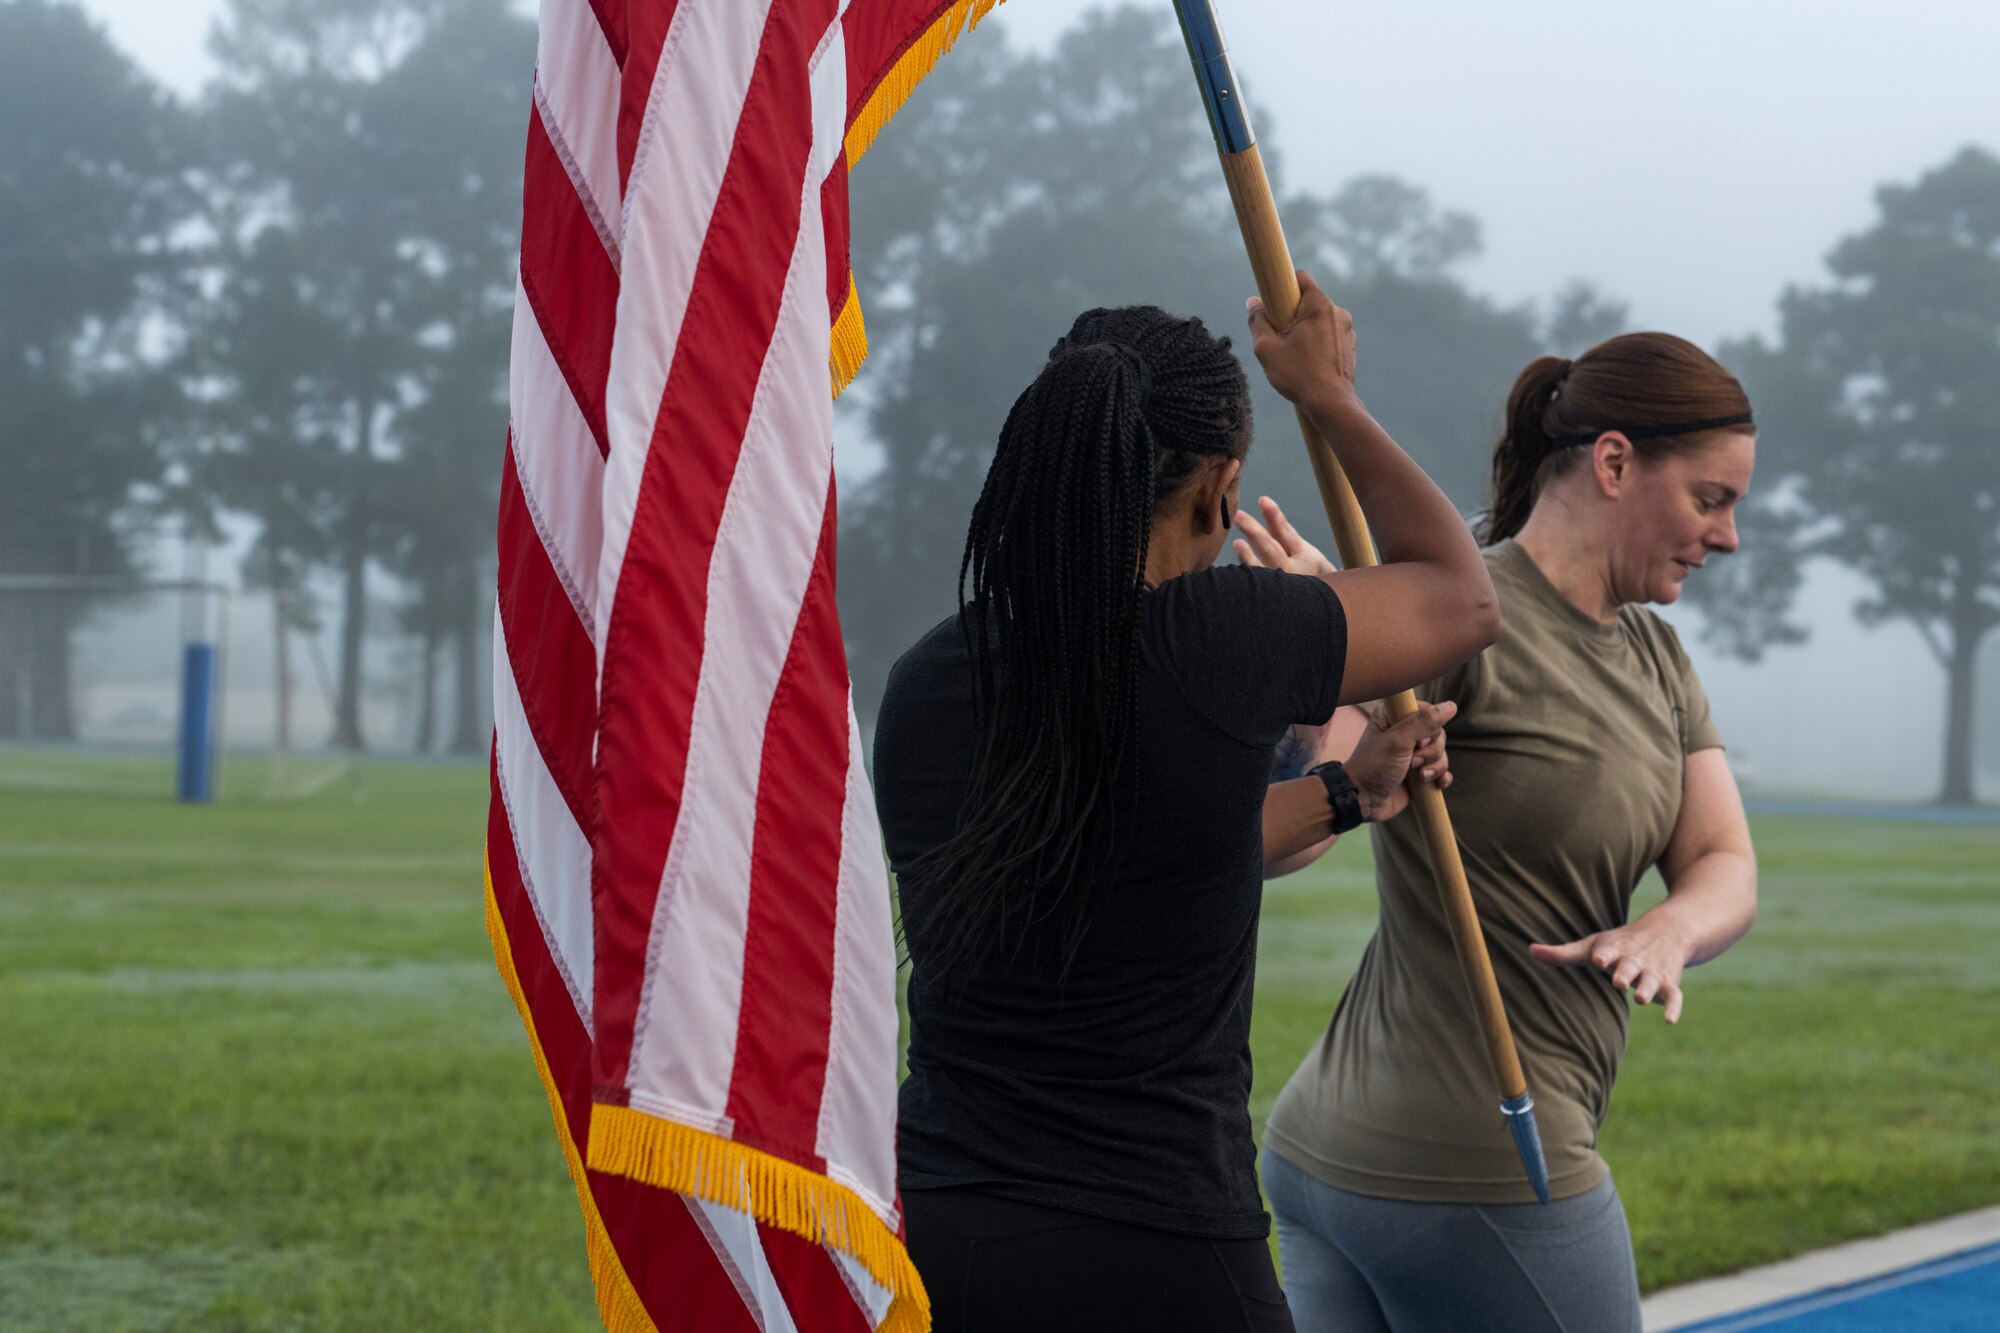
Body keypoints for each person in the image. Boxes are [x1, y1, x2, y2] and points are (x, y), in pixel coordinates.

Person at [870, 277, 1500, 1333]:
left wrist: (1348, 791)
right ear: (1218, 488)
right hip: (1154, 1242)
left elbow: (1146, 852)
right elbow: (1459, 598)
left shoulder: (928, 677)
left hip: (937, 1231)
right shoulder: (1215, 636)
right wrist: (1327, 399)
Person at [1247, 333, 1762, 1333]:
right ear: (1613, 463)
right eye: (1710, 498)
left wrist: (1669, 930)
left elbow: (1721, 861)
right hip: (1466, 1160)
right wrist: (1318, 664)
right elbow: (1288, 837)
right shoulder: (1450, 615)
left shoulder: (1654, 656)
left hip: (1352, 1155)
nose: (1729, 535)